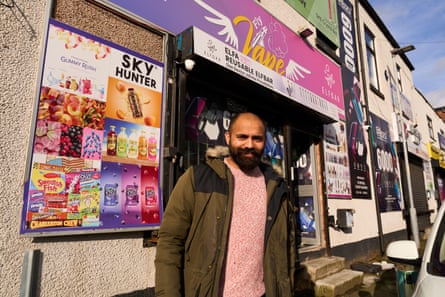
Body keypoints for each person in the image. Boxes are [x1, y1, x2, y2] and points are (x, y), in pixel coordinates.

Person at [155, 112, 297, 297]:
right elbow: (170, 243)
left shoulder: (277, 188)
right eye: (242, 137)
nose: (249, 145)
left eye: (257, 139)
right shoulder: (196, 179)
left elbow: (288, 249)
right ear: (228, 137)